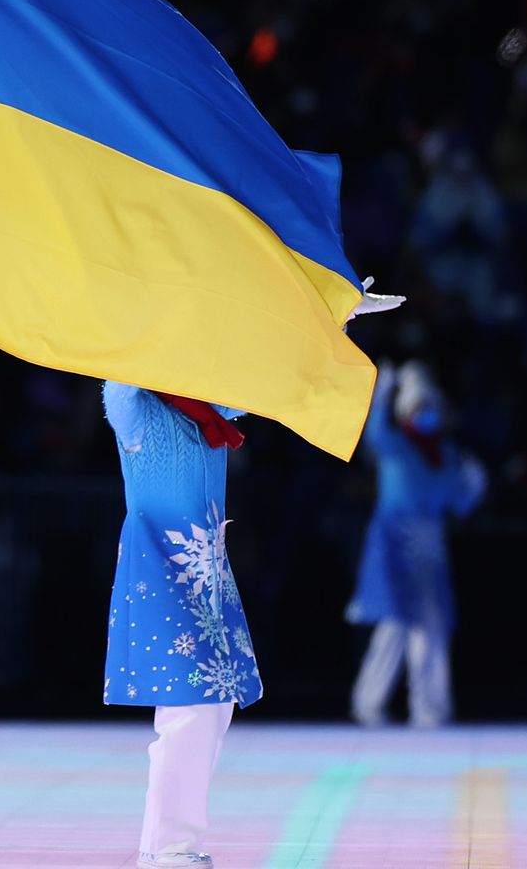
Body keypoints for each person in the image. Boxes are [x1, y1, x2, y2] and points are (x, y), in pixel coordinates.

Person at [102, 281, 402, 869]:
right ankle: (166, 849)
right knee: (191, 707)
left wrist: (332, 313)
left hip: (205, 572)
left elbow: (282, 373)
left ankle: (167, 844)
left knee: (212, 706)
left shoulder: (209, 411)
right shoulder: (133, 409)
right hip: (161, 567)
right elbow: (119, 360)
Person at [346, 360, 486, 728]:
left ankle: (431, 709)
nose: (426, 414)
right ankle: (368, 704)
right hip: (395, 540)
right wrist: (382, 392)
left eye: (430, 407)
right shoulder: (394, 445)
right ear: (406, 412)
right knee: (393, 625)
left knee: (432, 626)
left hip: (430, 541)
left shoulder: (447, 454)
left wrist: (474, 488)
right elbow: (374, 432)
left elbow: (458, 503)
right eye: (419, 407)